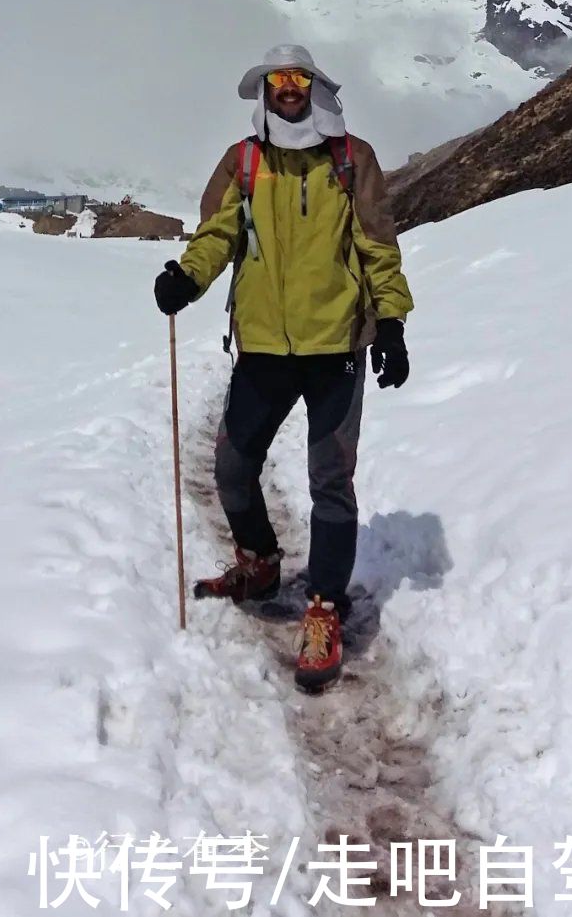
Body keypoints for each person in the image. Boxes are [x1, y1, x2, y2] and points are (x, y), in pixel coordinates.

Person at [153, 45, 413, 690]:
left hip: (336, 347)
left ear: (316, 87)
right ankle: (260, 563)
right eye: (277, 82)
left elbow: (376, 243)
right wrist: (189, 276)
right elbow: (219, 232)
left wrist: (392, 324)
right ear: (263, 91)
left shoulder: (352, 159)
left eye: (298, 80)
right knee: (233, 467)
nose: (288, 90)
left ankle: (323, 608)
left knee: (330, 479)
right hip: (265, 347)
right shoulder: (244, 160)